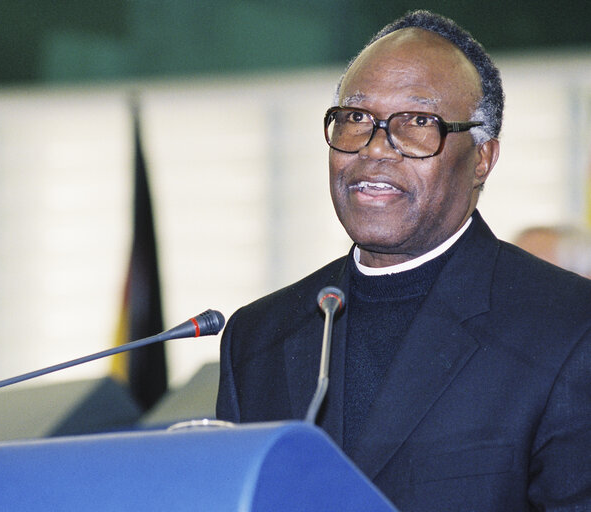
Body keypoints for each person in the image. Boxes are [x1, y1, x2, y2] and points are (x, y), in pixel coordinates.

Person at [216, 10, 591, 512]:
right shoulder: (257, 337)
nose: (375, 149)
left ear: (482, 158)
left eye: (418, 122)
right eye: (355, 118)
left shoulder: (568, 326)